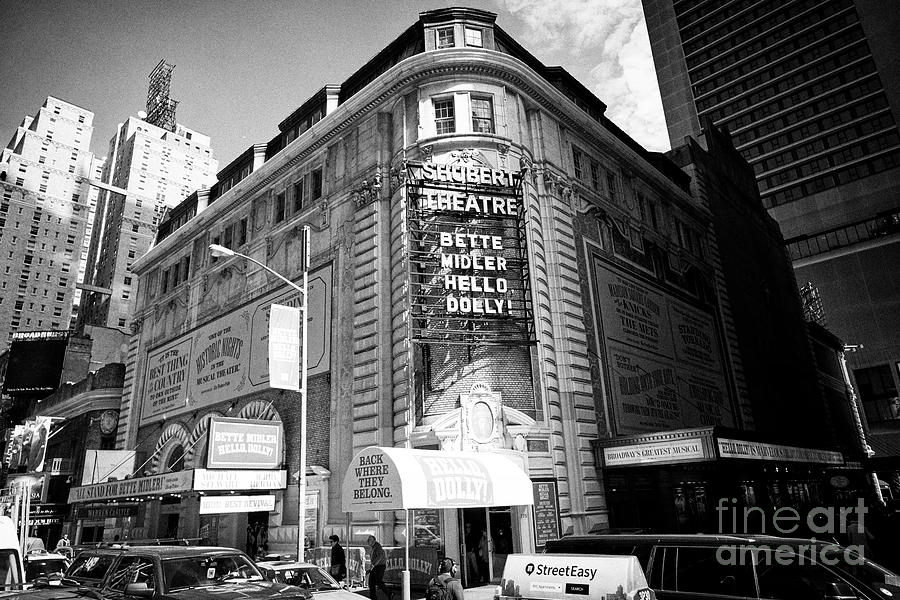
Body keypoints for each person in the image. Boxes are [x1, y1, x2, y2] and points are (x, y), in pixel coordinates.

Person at [366, 535, 392, 600]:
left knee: (378, 581)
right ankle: (373, 597)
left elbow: (379, 557)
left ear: (374, 541)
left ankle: (389, 593)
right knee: (371, 583)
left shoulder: (377, 547)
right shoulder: (374, 547)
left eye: (370, 540)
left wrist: (373, 565)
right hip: (376, 566)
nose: (368, 541)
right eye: (368, 540)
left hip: (379, 566)